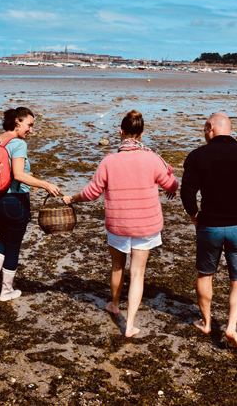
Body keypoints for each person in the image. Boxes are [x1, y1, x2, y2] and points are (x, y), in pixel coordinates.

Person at [62, 110, 179, 337]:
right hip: (145, 225)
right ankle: (130, 324)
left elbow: (91, 192)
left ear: (121, 131)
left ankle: (114, 305)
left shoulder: (109, 160)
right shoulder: (153, 158)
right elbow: (172, 185)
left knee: (117, 267)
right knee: (137, 274)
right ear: (142, 135)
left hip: (118, 224)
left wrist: (72, 198)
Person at [180, 112, 237, 348]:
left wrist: (194, 217)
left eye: (204, 129)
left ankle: (207, 322)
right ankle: (231, 327)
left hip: (209, 225)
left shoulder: (197, 156)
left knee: (205, 274)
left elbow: (187, 193)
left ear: (210, 127)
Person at [0, 107, 61, 301]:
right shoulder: (17, 144)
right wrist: (46, 184)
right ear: (17, 122)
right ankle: (7, 291)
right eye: (30, 125)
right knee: (13, 245)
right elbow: (18, 175)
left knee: (4, 237)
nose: (31, 130)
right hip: (15, 201)